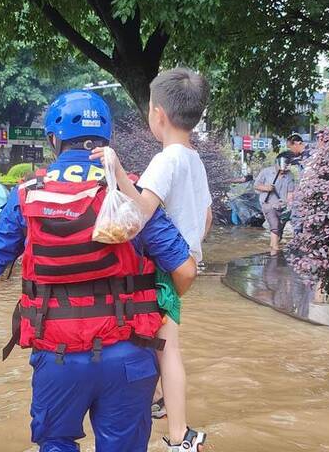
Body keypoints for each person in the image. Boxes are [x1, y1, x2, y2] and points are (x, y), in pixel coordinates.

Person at [0, 90, 197, 452]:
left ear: (54, 139)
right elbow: (184, 270)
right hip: (129, 353)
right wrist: (156, 303)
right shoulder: (129, 191)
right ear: (107, 138)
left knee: (56, 443)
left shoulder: (28, 192)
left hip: (58, 355)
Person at [90, 67, 211, 451]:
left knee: (168, 347)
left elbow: (142, 209)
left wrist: (116, 168)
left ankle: (180, 435)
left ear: (158, 114)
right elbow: (206, 215)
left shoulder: (167, 159)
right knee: (159, 339)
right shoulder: (194, 158)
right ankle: (162, 402)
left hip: (163, 266)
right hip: (185, 261)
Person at [254, 153, 295, 254]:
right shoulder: (266, 172)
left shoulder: (289, 175)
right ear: (277, 163)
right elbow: (256, 185)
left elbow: (290, 193)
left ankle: (273, 246)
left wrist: (289, 206)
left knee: (279, 231)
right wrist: (266, 188)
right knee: (275, 225)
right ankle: (275, 252)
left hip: (282, 206)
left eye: (286, 165)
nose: (283, 168)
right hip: (268, 204)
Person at [286, 133, 312, 235]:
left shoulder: (309, 154)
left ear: (296, 143)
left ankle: (298, 241)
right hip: (303, 191)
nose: (291, 150)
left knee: (298, 218)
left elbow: (307, 176)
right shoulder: (302, 156)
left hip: (306, 192)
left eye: (290, 147)